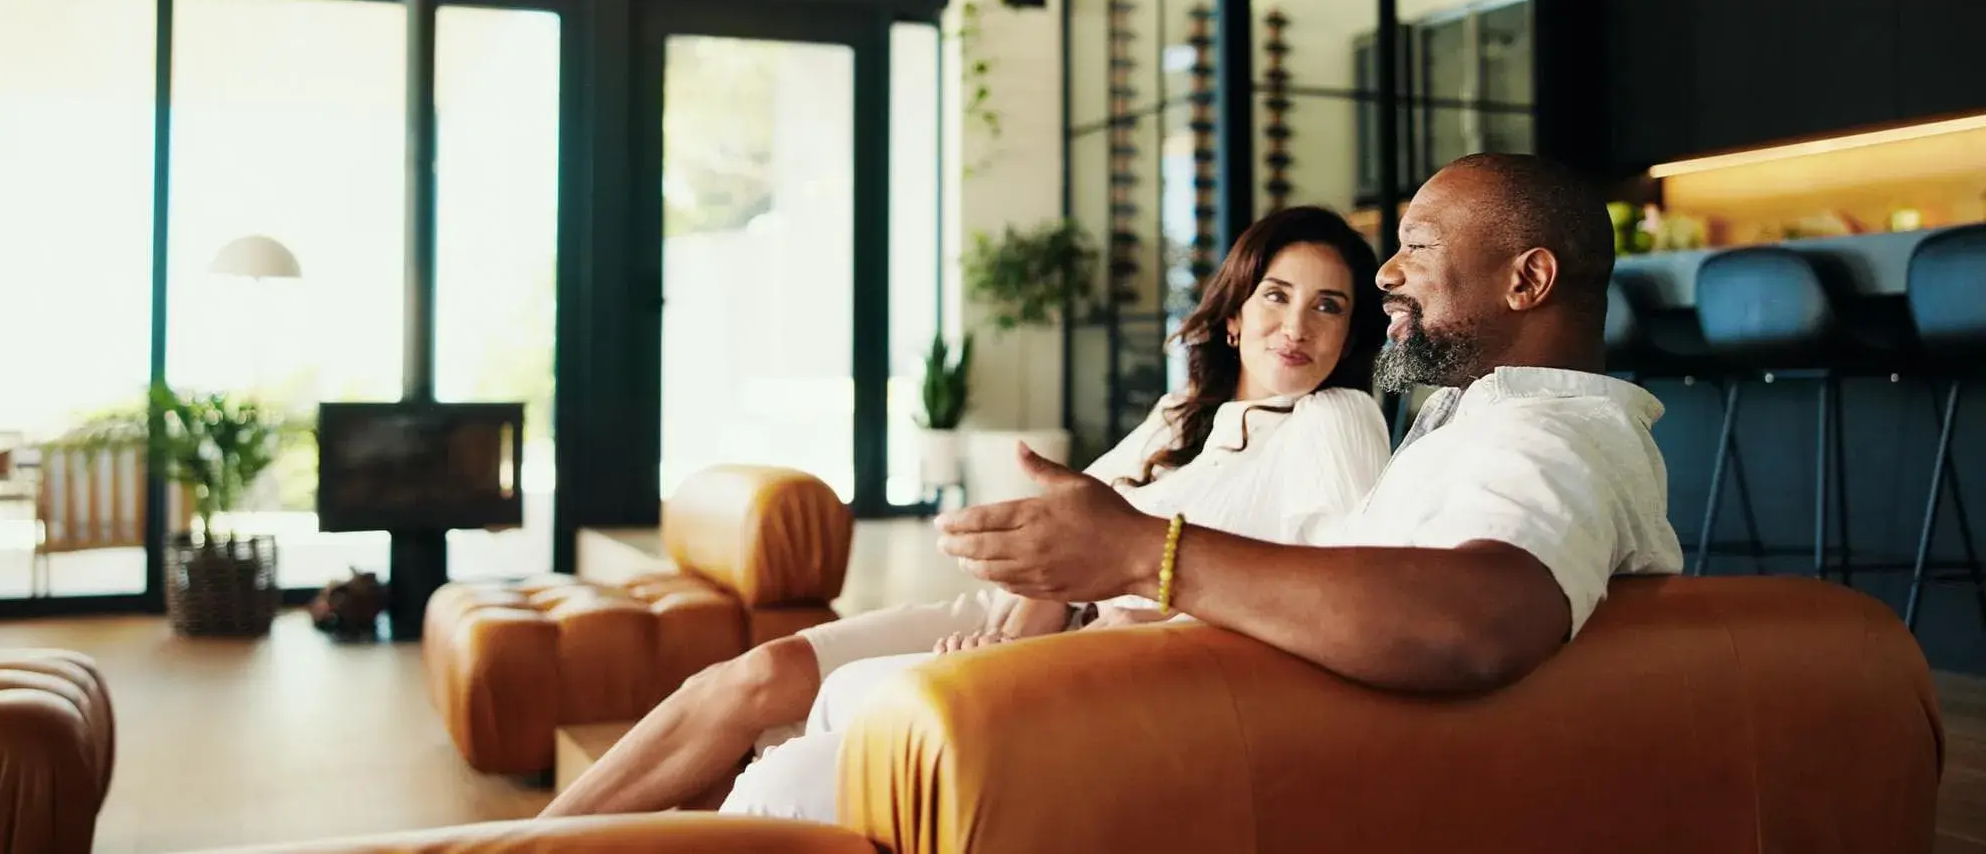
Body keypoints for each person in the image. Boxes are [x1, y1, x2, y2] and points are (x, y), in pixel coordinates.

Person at [713, 152, 1686, 823]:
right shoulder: (1466, 418)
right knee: (821, 729)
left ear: (1527, 280)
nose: (1384, 268)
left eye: (1415, 245)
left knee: (795, 776)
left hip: (1263, 749)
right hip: (1241, 712)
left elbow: (1473, 621)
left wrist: (1147, 553)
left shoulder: (1552, 434)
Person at [542, 205, 1395, 818]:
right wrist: (1014, 624)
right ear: (1237, 315)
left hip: (1089, 655)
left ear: (1351, 333)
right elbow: (1063, 543)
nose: (1299, 324)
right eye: (1278, 295)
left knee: (793, 746)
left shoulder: (1336, 420)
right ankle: (526, 842)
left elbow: (1334, 600)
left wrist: (1024, 652)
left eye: (1330, 305)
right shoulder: (1181, 413)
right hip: (1012, 619)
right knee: (752, 680)